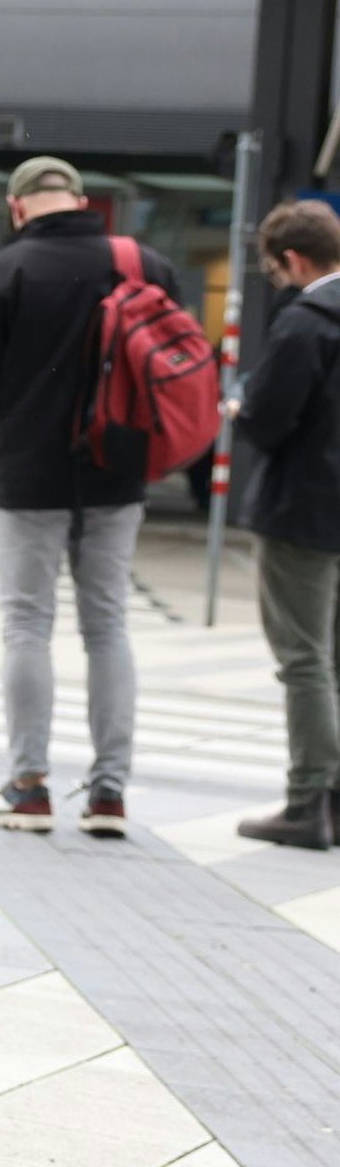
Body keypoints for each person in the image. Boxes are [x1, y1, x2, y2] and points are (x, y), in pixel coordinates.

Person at [0, 156, 176, 839]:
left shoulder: (3, 272)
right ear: (81, 200)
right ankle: (108, 792)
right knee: (107, 626)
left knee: (26, 626)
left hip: (27, 475)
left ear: (18, 209)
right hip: (118, 470)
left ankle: (28, 788)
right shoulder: (144, 264)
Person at [228, 200, 340, 849]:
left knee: (304, 657)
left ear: (293, 260)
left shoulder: (306, 323)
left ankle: (307, 802)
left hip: (303, 507)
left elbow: (268, 419)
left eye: (274, 272)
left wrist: (241, 406)